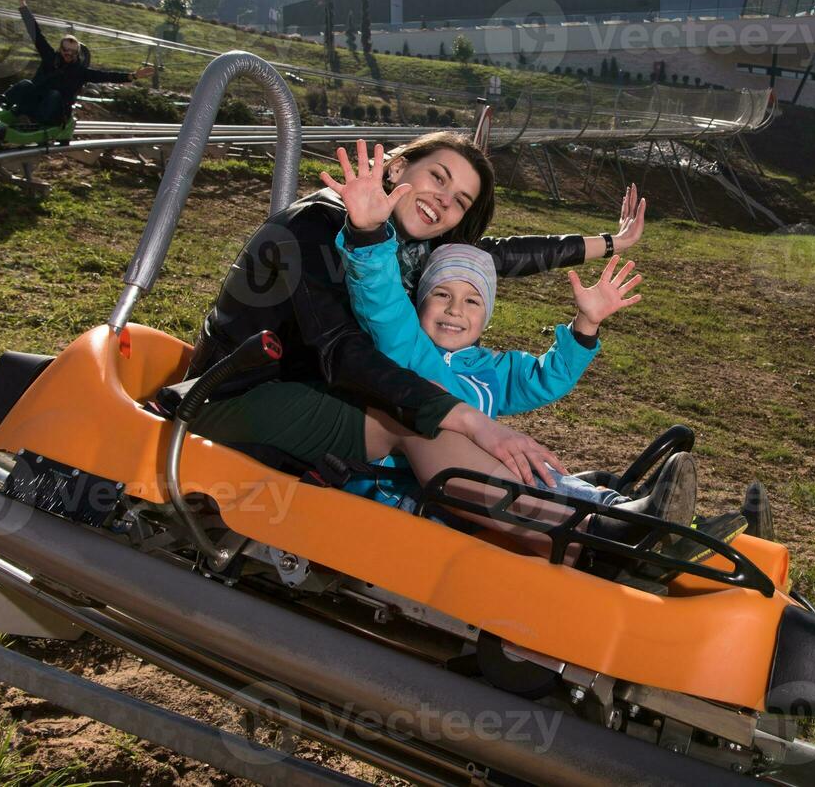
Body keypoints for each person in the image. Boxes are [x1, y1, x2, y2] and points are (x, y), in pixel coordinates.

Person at [187, 132, 685, 553]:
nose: (445, 201)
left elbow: (499, 256)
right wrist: (469, 419)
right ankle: (593, 529)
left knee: (425, 408)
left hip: (315, 393)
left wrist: (612, 242)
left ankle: (575, 513)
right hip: (235, 393)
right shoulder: (314, 226)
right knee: (416, 417)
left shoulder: (408, 246)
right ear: (398, 167)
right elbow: (340, 350)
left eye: (461, 200)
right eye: (438, 179)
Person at [330, 141, 647, 510]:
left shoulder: (491, 369)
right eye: (441, 295)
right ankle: (612, 512)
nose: (454, 310)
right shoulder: (406, 345)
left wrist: (587, 324)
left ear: (487, 317)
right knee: (534, 481)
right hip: (414, 492)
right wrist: (367, 234)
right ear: (417, 300)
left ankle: (614, 507)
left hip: (478, 488)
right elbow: (380, 299)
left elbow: (548, 378)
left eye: (472, 301)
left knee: (530, 474)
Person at [2, 0, 153, 126]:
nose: (68, 54)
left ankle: (35, 123)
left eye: (72, 52)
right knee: (26, 84)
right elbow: (36, 34)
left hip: (54, 111)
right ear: (60, 49)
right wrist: (23, 5)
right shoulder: (50, 57)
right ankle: (3, 105)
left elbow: (106, 76)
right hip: (35, 101)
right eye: (65, 50)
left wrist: (133, 76)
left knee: (54, 94)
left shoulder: (80, 72)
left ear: (77, 53)